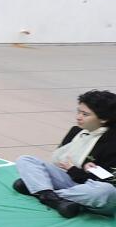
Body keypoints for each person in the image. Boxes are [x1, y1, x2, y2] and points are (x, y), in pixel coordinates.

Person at [11, 90, 116, 218]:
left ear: (104, 119)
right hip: (71, 182)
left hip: (91, 188)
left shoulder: (112, 142)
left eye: (85, 114)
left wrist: (74, 170)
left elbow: (109, 181)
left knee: (105, 191)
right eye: (78, 112)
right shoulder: (76, 131)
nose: (78, 117)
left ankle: (43, 192)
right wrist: (71, 170)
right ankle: (55, 199)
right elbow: (57, 161)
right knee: (26, 160)